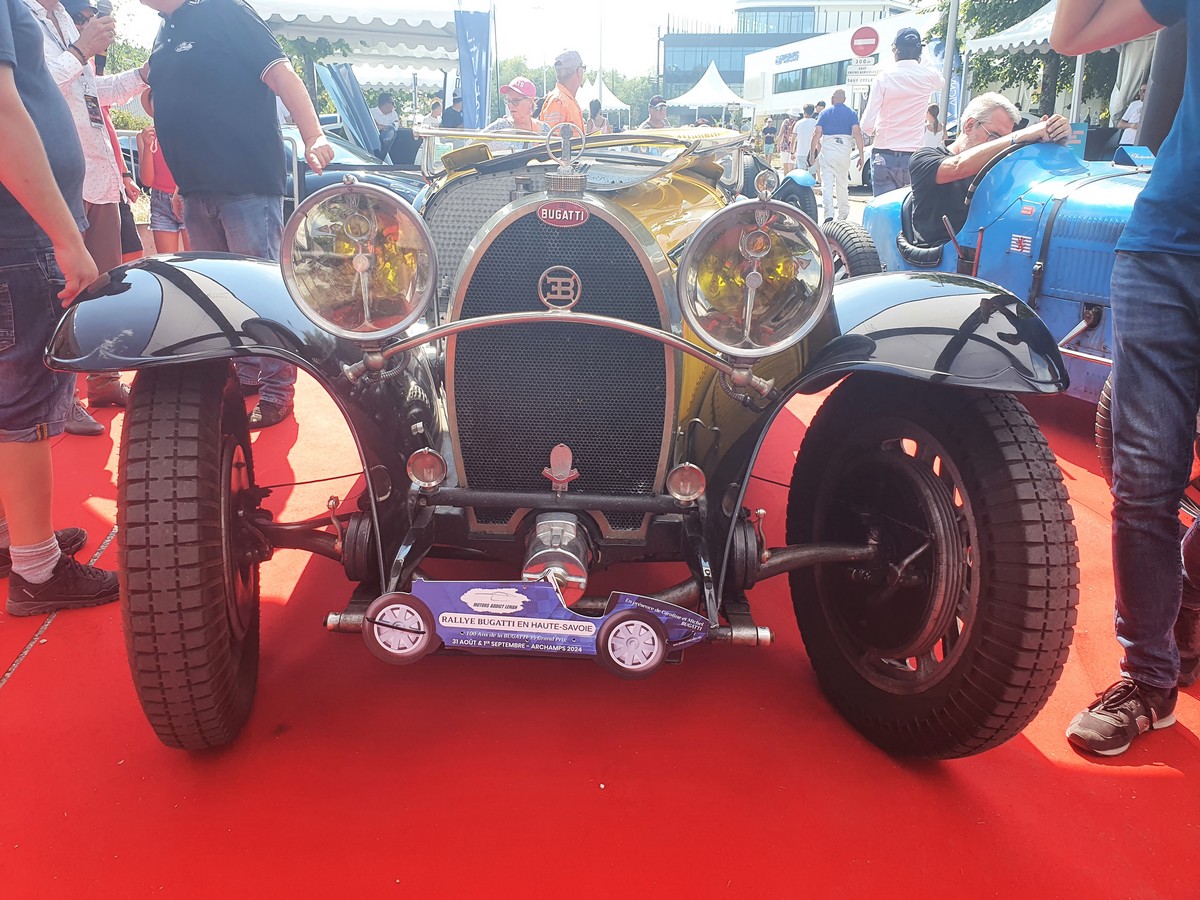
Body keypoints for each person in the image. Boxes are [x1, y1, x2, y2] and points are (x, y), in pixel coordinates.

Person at [1053, 0, 1200, 756]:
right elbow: (1070, 35)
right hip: (1165, 246)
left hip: (1163, 251)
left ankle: (1187, 602)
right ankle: (1149, 680)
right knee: (1145, 482)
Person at [142, 0, 334, 430]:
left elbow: (282, 74)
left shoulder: (225, 10)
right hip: (196, 191)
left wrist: (314, 135)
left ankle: (277, 390)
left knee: (259, 291)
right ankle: (246, 374)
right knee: (217, 296)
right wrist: (181, 184)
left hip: (246, 184)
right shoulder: (164, 32)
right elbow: (177, 105)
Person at [1, 0, 119, 615]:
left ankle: (14, 536)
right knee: (24, 408)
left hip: (18, 234)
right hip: (19, 236)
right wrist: (67, 238)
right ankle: (36, 569)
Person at [24, 0, 147, 431]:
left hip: (98, 178)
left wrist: (142, 75)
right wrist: (80, 50)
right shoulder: (18, 16)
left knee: (104, 289)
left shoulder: (62, 18)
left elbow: (93, 93)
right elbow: (31, 86)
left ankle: (104, 381)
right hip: (55, 181)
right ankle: (63, 396)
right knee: (60, 292)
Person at [908, 93, 1070, 246]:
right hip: (939, 257)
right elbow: (958, 166)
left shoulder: (1000, 166)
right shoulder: (923, 158)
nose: (1001, 145)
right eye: (996, 136)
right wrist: (1017, 138)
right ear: (969, 126)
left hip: (986, 252)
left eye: (1005, 138)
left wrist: (1054, 138)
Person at [860, 26, 944, 196]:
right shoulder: (928, 76)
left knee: (883, 208)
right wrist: (922, 57)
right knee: (911, 208)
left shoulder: (884, 77)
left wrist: (874, 130)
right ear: (919, 51)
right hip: (913, 156)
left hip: (884, 154)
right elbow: (940, 81)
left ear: (894, 50)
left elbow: (867, 125)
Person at [136, 89, 188, 253]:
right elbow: (147, 181)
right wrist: (147, 146)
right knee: (167, 260)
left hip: (187, 197)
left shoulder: (186, 133)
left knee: (195, 259)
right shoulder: (145, 136)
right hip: (160, 202)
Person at [808, 89, 864, 222]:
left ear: (832, 99)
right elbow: (857, 133)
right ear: (844, 99)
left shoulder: (824, 113)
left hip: (828, 149)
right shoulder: (851, 113)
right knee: (842, 183)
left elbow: (816, 133)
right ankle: (843, 213)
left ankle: (828, 213)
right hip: (844, 149)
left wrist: (812, 154)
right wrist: (861, 155)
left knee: (827, 184)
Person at [483, 75, 549, 150]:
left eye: (515, 101)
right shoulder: (500, 127)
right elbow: (473, 145)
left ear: (530, 102)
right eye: (508, 100)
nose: (510, 105)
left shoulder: (544, 130)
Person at [541, 49, 585, 132]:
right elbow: (552, 138)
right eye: (583, 68)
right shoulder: (558, 101)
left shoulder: (565, 99)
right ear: (579, 71)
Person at [792, 104, 818, 174]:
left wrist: (792, 152)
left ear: (804, 112)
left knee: (801, 173)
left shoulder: (798, 123)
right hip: (813, 152)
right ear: (813, 112)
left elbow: (793, 140)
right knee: (812, 173)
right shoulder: (816, 123)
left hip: (801, 151)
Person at [777, 108, 799, 174]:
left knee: (785, 168)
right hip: (793, 147)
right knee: (791, 169)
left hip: (784, 145)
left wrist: (778, 145)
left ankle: (786, 179)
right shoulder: (797, 123)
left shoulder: (785, 122)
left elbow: (780, 134)